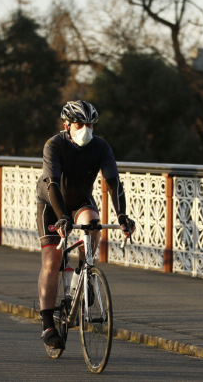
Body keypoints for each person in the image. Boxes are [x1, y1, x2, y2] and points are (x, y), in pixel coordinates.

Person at [36, 100, 134, 348]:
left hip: (80, 200)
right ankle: (48, 323)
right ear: (66, 124)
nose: (86, 129)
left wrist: (122, 216)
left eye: (90, 124)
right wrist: (61, 218)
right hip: (52, 202)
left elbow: (113, 182)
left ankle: (85, 271)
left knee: (92, 225)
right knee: (52, 260)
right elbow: (53, 185)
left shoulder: (100, 146)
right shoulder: (54, 145)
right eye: (80, 124)